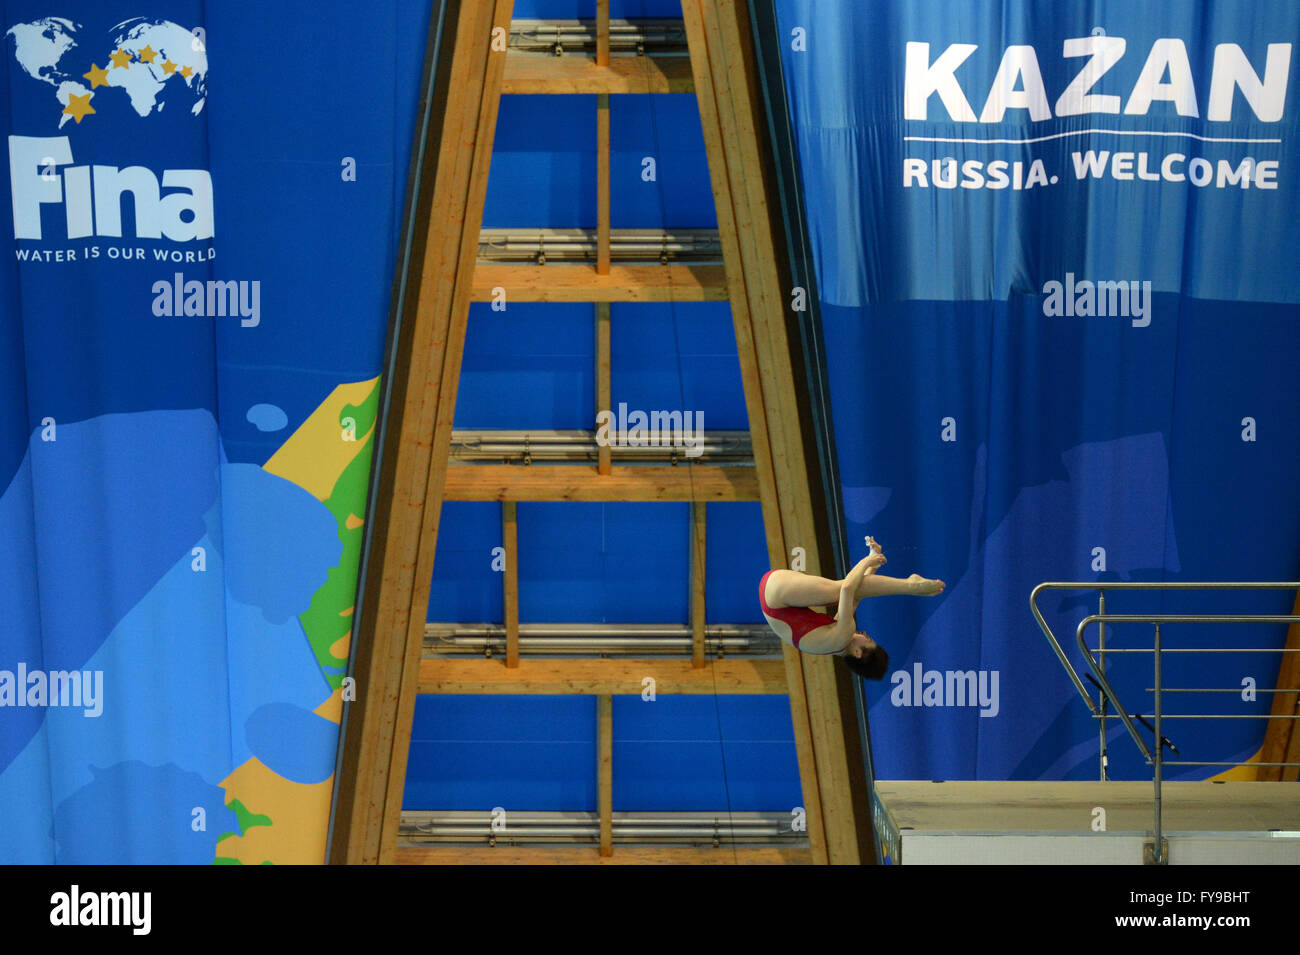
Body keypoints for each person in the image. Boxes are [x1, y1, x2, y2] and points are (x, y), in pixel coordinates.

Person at [758, 537, 944, 680]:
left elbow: (848, 588)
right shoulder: (836, 644)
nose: (864, 634)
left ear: (857, 653)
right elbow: (856, 596)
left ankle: (911, 586)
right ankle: (910, 586)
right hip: (773, 596)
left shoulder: (843, 635)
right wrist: (873, 563)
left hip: (776, 595)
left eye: (868, 640)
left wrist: (867, 561)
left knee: (840, 591)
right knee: (842, 593)